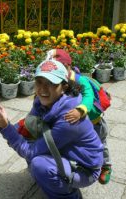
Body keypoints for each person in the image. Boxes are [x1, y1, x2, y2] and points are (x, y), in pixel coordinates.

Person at [0, 60, 103, 199]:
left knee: (39, 164)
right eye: (39, 81)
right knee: (19, 132)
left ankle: (69, 196)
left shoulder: (70, 119)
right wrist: (8, 125)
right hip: (63, 150)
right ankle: (50, 177)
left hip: (84, 169)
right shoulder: (40, 101)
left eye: (51, 83)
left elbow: (30, 152)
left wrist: (6, 127)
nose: (42, 89)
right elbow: (30, 124)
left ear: (64, 87)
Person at [46, 49, 112, 185]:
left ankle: (105, 166)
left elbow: (88, 97)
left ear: (68, 66)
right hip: (76, 126)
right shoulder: (57, 81)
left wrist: (80, 110)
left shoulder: (80, 80)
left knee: (100, 146)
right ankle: (83, 163)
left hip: (95, 123)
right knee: (79, 146)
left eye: (61, 67)